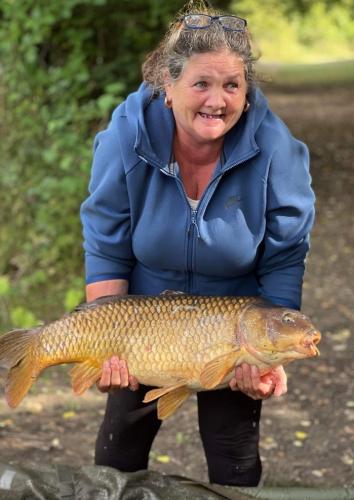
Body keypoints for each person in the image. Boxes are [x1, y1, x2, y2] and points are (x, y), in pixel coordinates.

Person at [80, 1, 315, 487]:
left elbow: (286, 253)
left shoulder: (276, 150)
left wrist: (270, 349)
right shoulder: (125, 137)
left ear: (246, 93)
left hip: (234, 319)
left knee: (234, 454)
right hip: (143, 317)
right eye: (201, 84)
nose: (217, 100)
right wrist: (102, 341)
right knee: (118, 449)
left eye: (232, 85)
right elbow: (106, 240)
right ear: (168, 87)